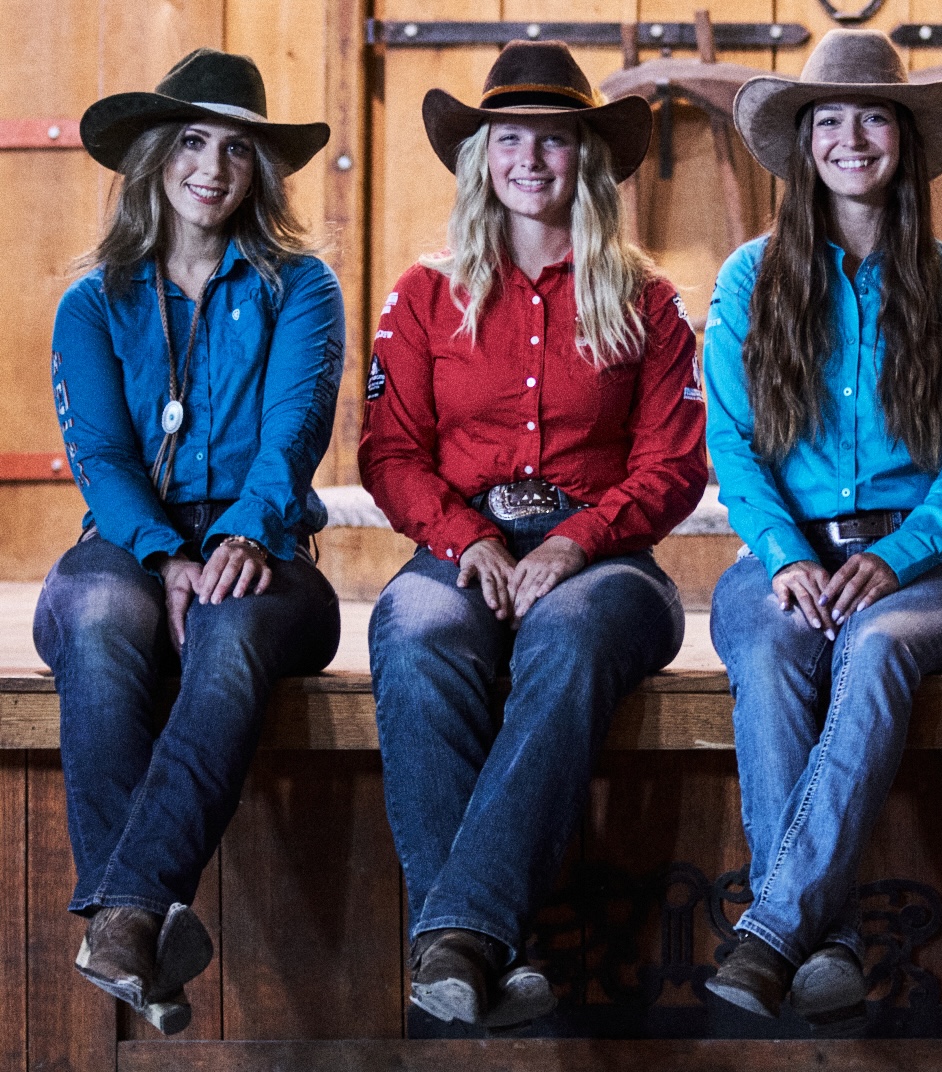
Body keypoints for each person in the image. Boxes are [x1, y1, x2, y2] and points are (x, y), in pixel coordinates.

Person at [360, 40, 707, 1031]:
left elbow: (673, 465)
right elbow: (391, 453)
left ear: (585, 161)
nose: (530, 159)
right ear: (481, 157)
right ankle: (480, 951)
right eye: (509, 138)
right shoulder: (423, 294)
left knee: (567, 635)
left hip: (605, 562)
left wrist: (573, 543)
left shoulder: (647, 300)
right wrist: (466, 538)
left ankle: (455, 931)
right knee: (415, 634)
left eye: (553, 140)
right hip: (457, 545)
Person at [37, 49, 344, 1034]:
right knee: (92, 613)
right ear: (156, 157)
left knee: (227, 629)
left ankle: (124, 912)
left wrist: (245, 533)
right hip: (131, 539)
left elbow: (294, 429)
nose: (214, 166)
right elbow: (98, 452)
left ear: (260, 171)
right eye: (193, 141)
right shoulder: (94, 300)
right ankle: (143, 934)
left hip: (269, 549)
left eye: (239, 149)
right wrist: (165, 556)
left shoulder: (299, 286)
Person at [702, 29, 942, 1021]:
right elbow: (733, 443)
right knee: (772, 649)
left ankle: (772, 928)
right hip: (781, 555)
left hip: (923, 569)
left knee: (874, 651)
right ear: (800, 147)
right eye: (825, 119)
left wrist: (890, 557)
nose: (848, 137)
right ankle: (823, 943)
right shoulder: (750, 280)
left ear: (902, 138)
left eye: (869, 116)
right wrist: (787, 555)